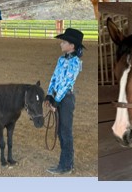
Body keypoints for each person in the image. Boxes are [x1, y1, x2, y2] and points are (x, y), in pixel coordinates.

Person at [45, 28, 85, 175]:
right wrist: (49, 94)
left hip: (66, 99)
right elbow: (54, 77)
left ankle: (66, 165)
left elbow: (68, 83)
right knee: (61, 132)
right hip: (57, 96)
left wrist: (56, 101)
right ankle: (66, 163)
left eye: (64, 42)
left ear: (72, 46)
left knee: (65, 132)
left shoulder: (75, 62)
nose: (61, 44)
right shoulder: (61, 60)